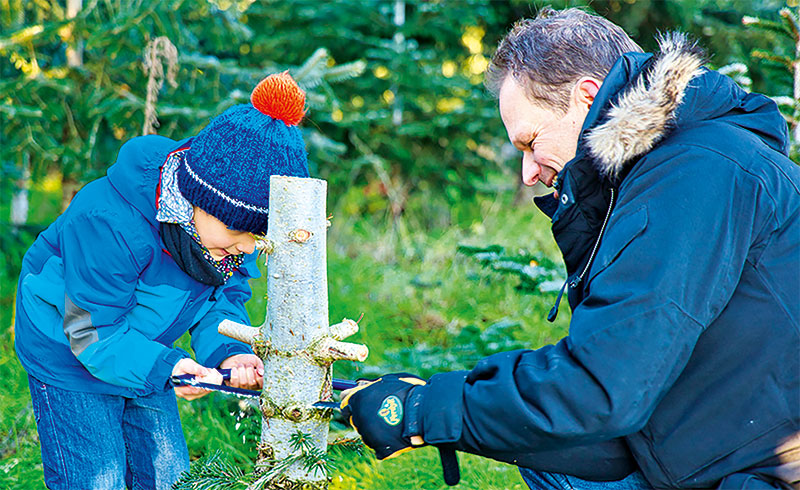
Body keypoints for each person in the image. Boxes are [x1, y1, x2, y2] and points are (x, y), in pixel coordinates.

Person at [340, 8, 799, 490]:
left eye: (530, 142)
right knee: (543, 452)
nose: (528, 173)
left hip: (768, 470)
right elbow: (611, 388)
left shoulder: (696, 172)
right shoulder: (666, 169)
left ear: (585, 98)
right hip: (716, 443)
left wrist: (421, 411)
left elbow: (601, 390)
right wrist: (439, 405)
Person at [14, 71, 309, 489]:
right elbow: (91, 332)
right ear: (200, 200)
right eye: (240, 235)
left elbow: (220, 300)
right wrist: (169, 366)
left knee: (168, 476)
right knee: (98, 477)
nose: (246, 249)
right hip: (69, 348)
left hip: (143, 344)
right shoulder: (110, 223)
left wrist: (228, 354)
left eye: (257, 240)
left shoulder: (223, 242)